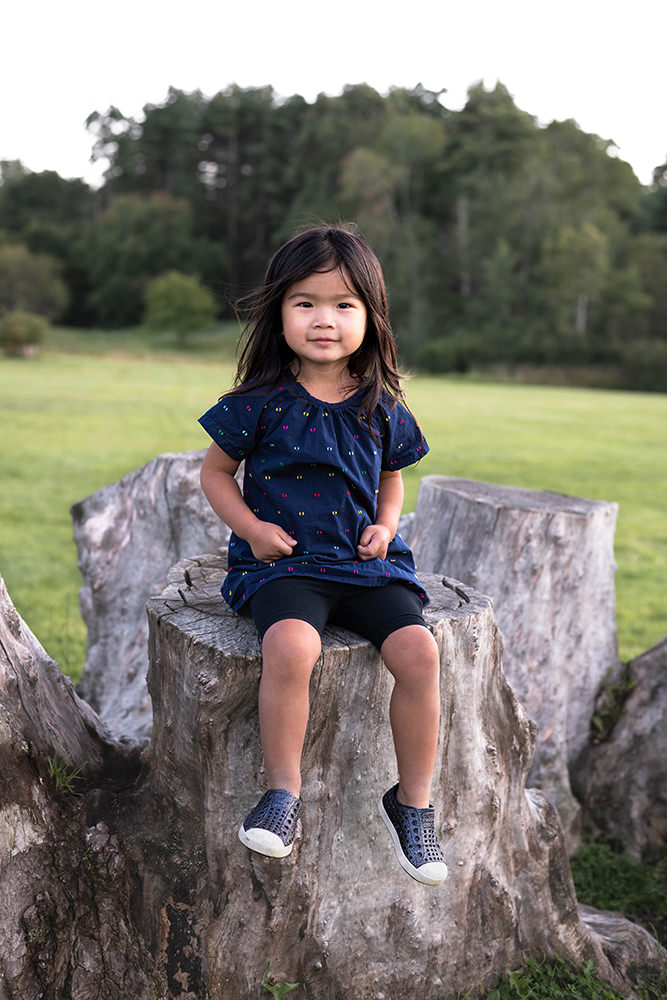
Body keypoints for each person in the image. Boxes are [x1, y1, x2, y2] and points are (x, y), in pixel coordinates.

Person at [199, 225, 447, 885]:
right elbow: (215, 474)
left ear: (370, 316)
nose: (323, 319)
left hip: (365, 563)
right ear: (279, 314)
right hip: (285, 564)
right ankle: (283, 792)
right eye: (305, 302)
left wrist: (387, 523)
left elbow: (392, 475)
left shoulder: (379, 405)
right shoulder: (257, 403)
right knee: (290, 649)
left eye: (343, 305)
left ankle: (413, 803)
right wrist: (251, 529)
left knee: (420, 654)